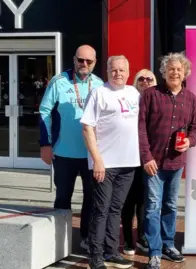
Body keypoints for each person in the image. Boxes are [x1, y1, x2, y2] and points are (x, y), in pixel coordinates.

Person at [138, 52, 196, 269]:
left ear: (185, 74)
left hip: (175, 162)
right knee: (153, 206)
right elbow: (141, 129)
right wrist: (146, 157)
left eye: (179, 70)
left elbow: (195, 126)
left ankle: (168, 244)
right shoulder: (150, 95)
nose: (175, 72)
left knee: (171, 205)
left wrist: (190, 142)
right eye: (171, 69)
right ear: (164, 72)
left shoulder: (190, 98)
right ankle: (154, 251)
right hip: (153, 163)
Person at [39, 44, 103, 252]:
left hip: (90, 155)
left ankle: (85, 237)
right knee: (63, 197)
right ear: (74, 59)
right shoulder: (59, 82)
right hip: (64, 153)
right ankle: (60, 240)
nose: (84, 64)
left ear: (95, 62)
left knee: (91, 200)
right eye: (80, 60)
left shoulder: (100, 84)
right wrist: (45, 144)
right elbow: (44, 112)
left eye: (89, 61)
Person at [81, 55, 140, 269]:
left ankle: (111, 251)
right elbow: (87, 127)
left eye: (122, 70)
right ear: (107, 71)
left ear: (128, 71)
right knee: (101, 209)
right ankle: (95, 256)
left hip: (128, 163)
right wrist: (97, 160)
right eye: (114, 70)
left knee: (116, 209)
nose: (118, 74)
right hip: (105, 164)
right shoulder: (99, 93)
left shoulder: (133, 93)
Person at [122, 69, 157, 255]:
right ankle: (128, 240)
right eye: (140, 78)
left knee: (145, 202)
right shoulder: (130, 100)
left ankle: (143, 237)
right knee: (128, 202)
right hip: (129, 158)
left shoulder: (158, 100)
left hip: (149, 159)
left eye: (148, 78)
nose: (144, 81)